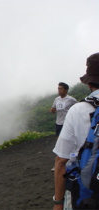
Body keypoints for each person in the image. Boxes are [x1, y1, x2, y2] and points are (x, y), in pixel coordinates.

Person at [52, 52, 99, 210]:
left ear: (89, 83)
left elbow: (61, 162)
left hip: (90, 196)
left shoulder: (78, 109)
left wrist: (58, 203)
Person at [50, 82, 77, 172]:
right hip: (58, 123)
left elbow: (78, 107)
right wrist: (52, 110)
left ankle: (65, 163)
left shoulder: (71, 100)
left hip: (67, 124)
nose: (59, 90)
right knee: (59, 144)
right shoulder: (57, 99)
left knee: (65, 143)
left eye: (61, 89)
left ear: (66, 90)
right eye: (58, 89)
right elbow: (53, 108)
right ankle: (61, 163)